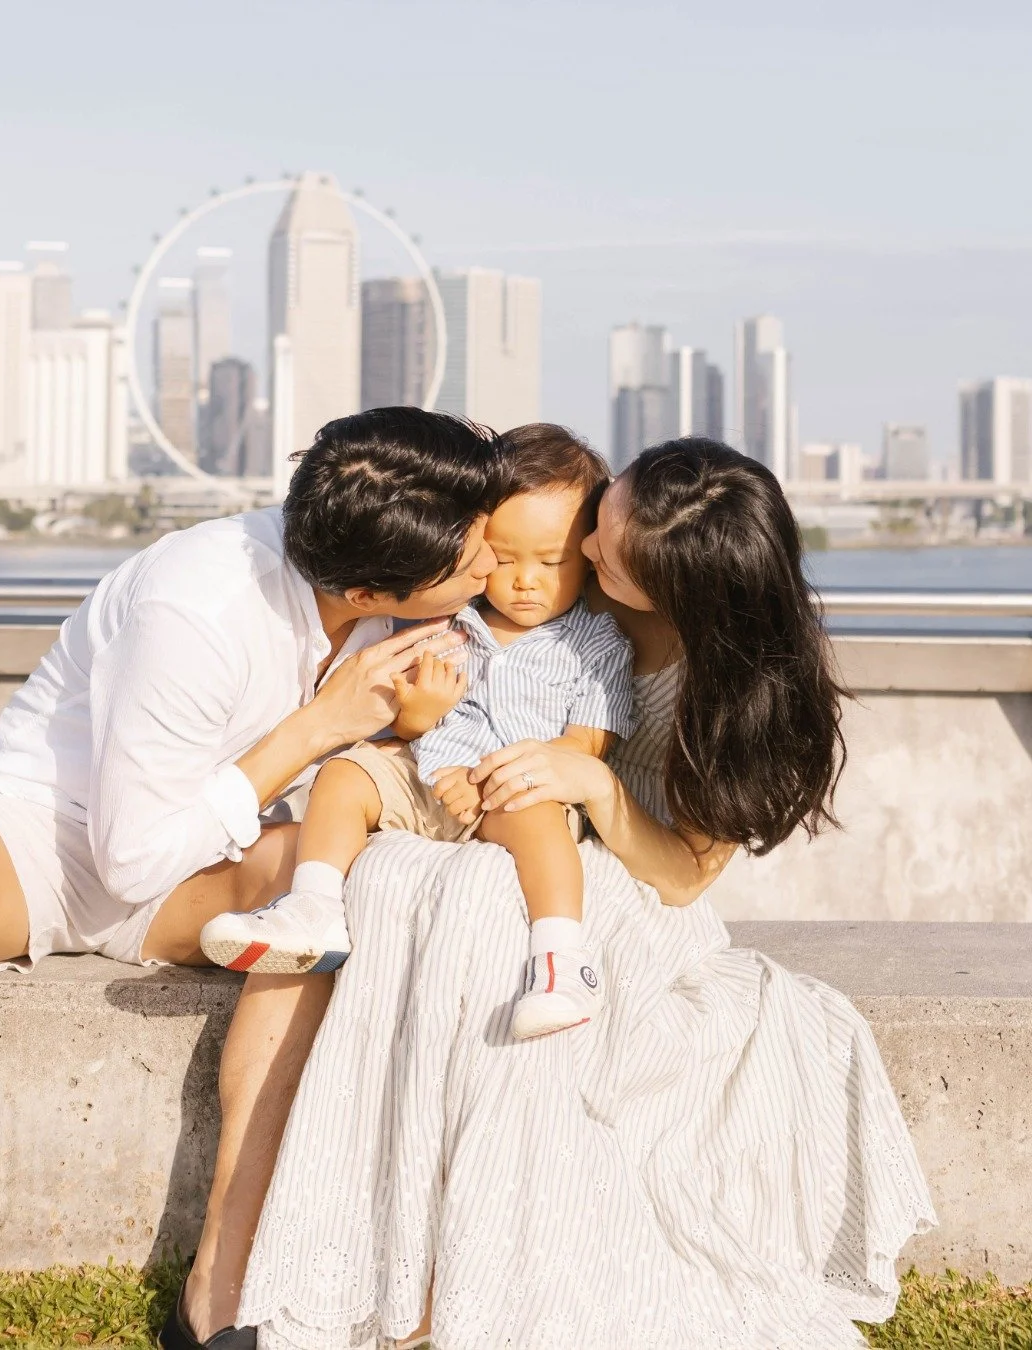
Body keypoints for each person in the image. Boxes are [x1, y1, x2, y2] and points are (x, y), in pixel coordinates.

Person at [238, 431, 936, 1349]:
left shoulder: (725, 685)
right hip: (500, 821)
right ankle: (395, 1247)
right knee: (412, 877)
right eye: (605, 514)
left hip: (630, 890)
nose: (593, 542)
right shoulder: (549, 601)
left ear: (672, 584)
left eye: (606, 544)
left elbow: (683, 878)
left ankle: (465, 1273)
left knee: (486, 907)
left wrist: (597, 787)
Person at [0, 407, 511, 1350]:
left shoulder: (420, 603)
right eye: (475, 559)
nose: (491, 570)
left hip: (213, 867)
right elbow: (127, 854)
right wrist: (314, 728)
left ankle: (222, 1278)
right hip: (45, 836)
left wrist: (408, 736)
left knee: (358, 886)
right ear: (375, 584)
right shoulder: (199, 604)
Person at [199, 432, 637, 1040]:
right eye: (503, 558)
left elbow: (586, 747)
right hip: (425, 775)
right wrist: (418, 716)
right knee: (346, 774)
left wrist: (491, 778)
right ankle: (315, 905)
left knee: (540, 824)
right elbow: (401, 729)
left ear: (586, 559)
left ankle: (562, 960)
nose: (523, 581)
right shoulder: (445, 620)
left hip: (517, 787)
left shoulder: (594, 646)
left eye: (550, 562)